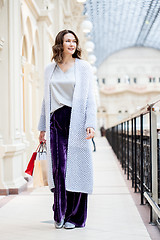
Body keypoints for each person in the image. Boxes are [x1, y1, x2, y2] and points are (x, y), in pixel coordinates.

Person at [38, 29, 96, 229]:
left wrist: (90, 123)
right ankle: (60, 213)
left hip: (77, 120)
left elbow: (90, 98)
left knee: (77, 168)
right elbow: (46, 99)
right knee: (59, 169)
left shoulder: (84, 67)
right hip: (56, 122)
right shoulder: (50, 69)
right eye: (67, 40)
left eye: (74, 41)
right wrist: (42, 128)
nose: (71, 44)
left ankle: (75, 217)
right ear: (59, 44)